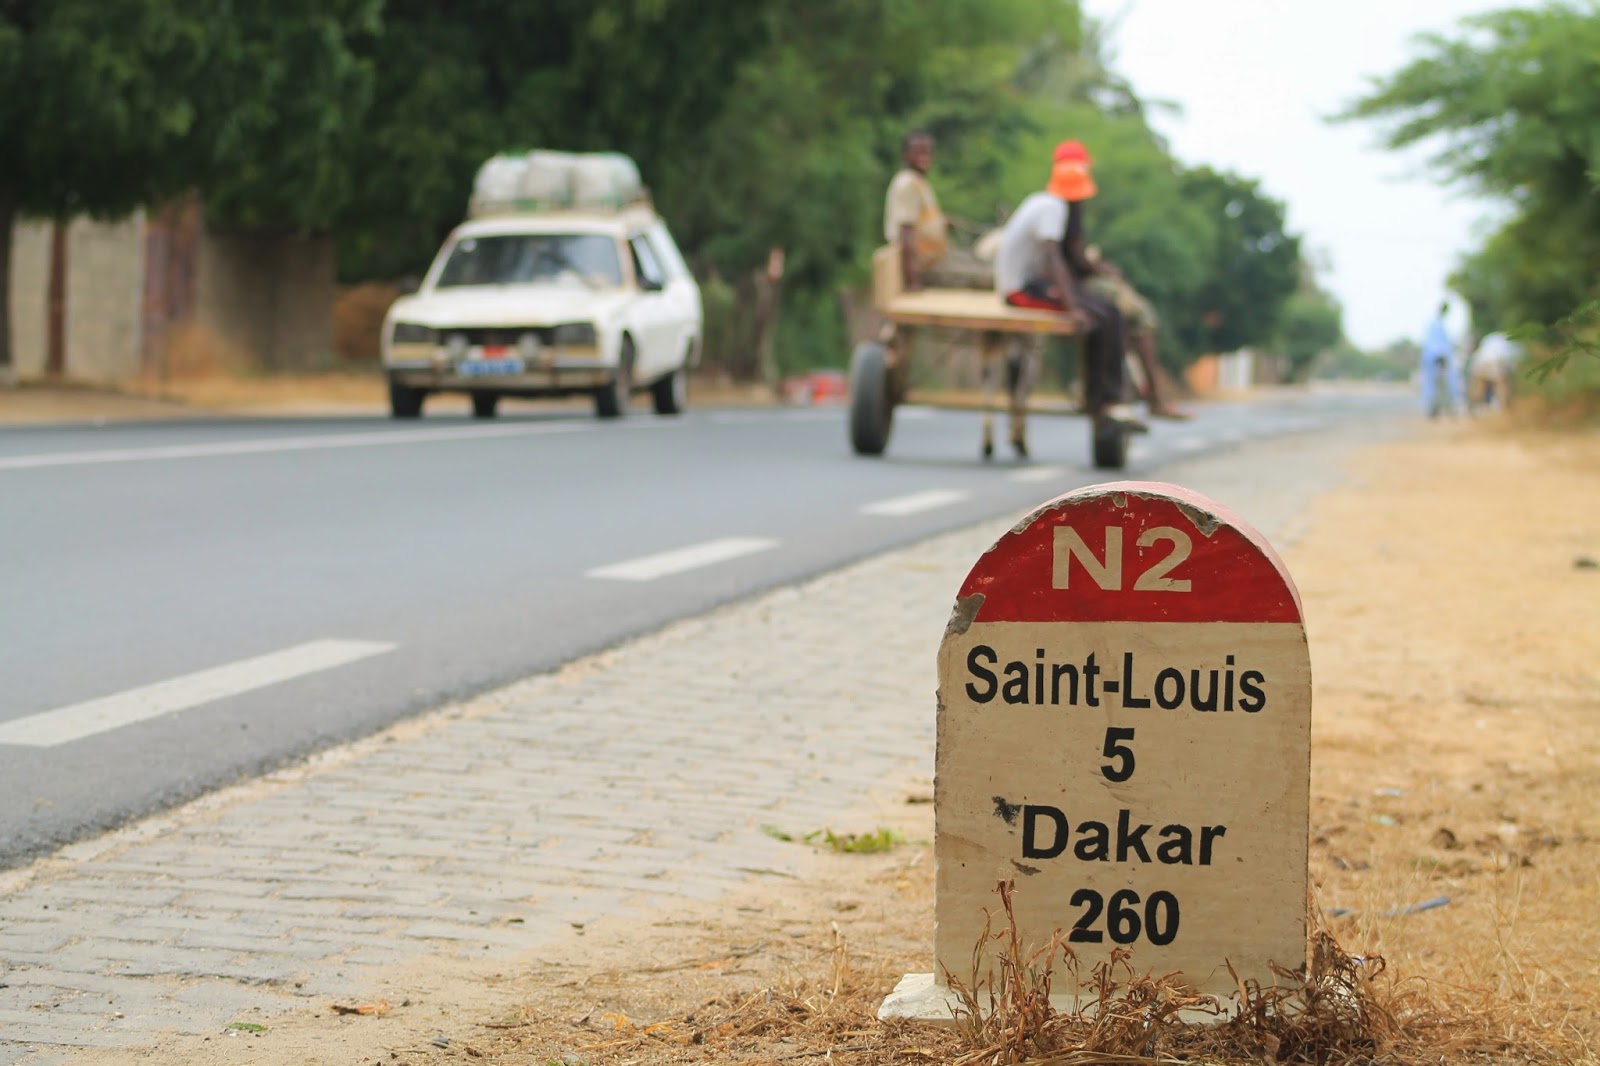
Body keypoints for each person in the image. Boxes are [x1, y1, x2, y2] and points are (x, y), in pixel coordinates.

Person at [993, 140, 1139, 438]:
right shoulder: (1054, 210)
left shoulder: (1045, 201)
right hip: (1018, 291)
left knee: (1108, 311)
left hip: (1029, 283)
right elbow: (1052, 258)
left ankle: (1108, 397)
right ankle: (1101, 400)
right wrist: (1073, 307)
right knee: (1098, 318)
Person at [1082, 247, 1190, 419]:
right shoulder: (1055, 222)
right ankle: (1155, 397)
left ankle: (1145, 390)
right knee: (1143, 315)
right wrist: (1100, 268)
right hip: (1075, 281)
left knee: (1126, 320)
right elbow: (1071, 253)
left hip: (1075, 279)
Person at [883, 130, 950, 292]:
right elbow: (906, 231)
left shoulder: (918, 181)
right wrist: (913, 280)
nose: (924, 157)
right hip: (921, 266)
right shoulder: (907, 184)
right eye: (918, 152)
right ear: (905, 154)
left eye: (927, 152)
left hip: (930, 260)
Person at [1419, 302, 1466, 417]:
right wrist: (1441, 359)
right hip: (1438, 358)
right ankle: (1438, 408)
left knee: (1436, 384)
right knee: (1440, 384)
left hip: (1435, 358)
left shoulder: (1436, 324)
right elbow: (1438, 346)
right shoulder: (1437, 324)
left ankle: (1440, 408)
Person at [1467, 330, 1522, 411]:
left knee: (1479, 384)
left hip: (1480, 360)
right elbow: (1510, 365)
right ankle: (1502, 406)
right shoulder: (1512, 344)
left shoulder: (1492, 337)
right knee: (1500, 384)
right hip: (1494, 361)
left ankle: (1478, 407)